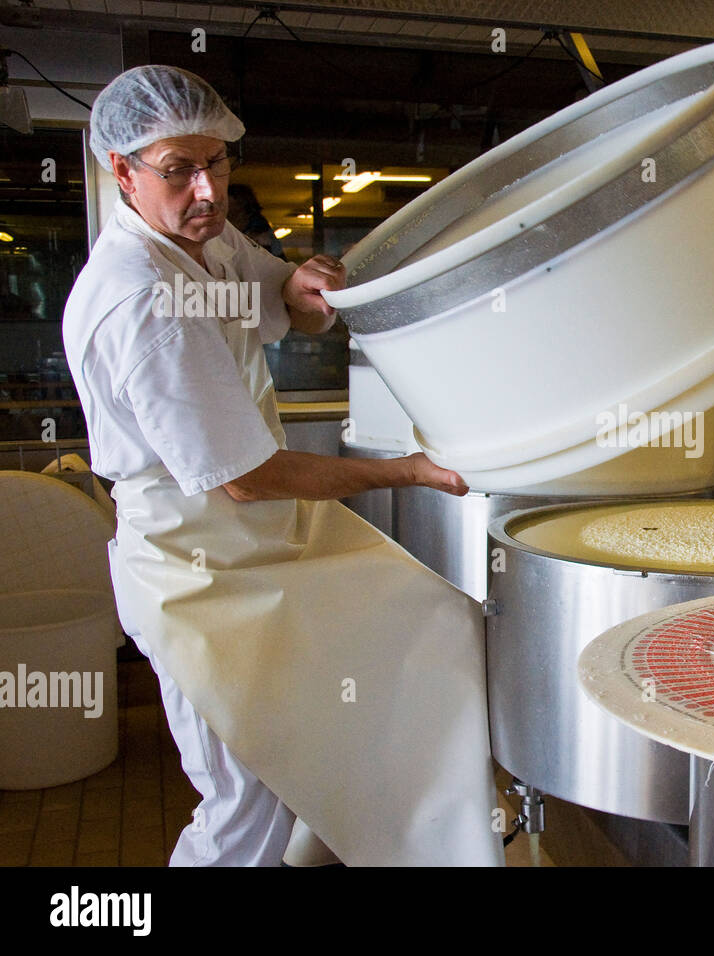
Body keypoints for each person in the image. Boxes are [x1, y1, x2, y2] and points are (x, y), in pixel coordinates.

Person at [63, 65, 502, 866]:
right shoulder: (141, 301)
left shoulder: (204, 239)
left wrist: (306, 282)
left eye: (218, 162)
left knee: (434, 625)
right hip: (195, 570)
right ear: (121, 173)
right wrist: (409, 470)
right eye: (176, 170)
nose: (205, 189)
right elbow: (248, 476)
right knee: (244, 800)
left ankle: (426, 839)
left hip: (258, 545)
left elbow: (283, 304)